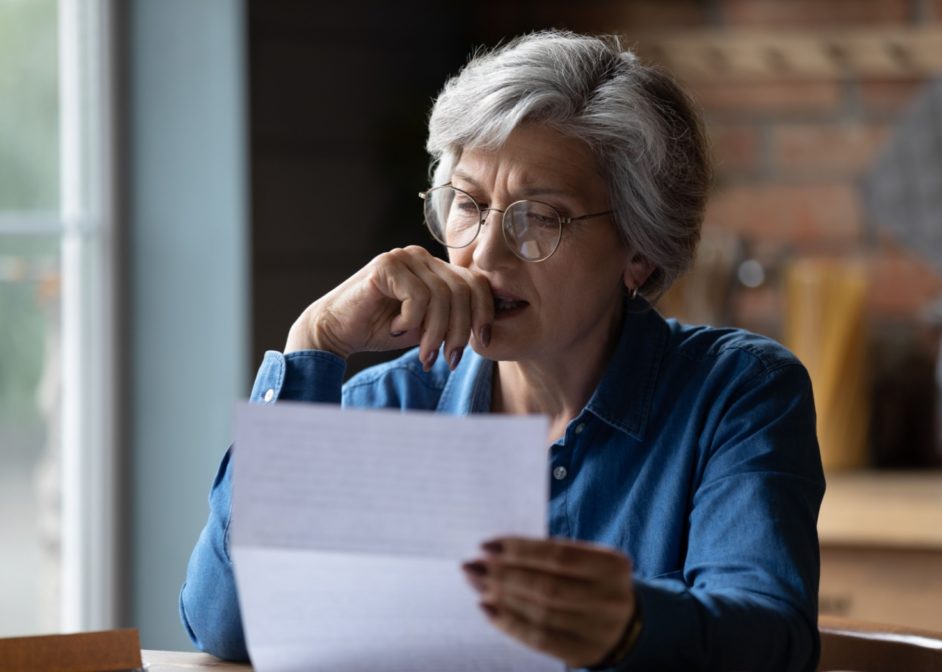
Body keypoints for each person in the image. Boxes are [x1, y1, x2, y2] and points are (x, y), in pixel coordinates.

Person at [180, 30, 825, 671]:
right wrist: (312, 343)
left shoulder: (738, 394)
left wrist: (628, 624)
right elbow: (226, 626)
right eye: (467, 204)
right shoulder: (391, 404)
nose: (485, 255)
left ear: (640, 248)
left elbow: (771, 639)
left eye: (540, 217)